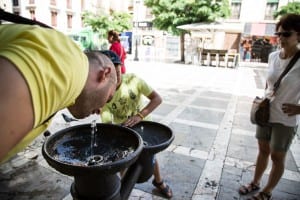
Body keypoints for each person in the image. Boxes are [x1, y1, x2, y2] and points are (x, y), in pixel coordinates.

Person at [0, 24, 117, 164]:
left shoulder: (68, 65)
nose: (100, 110)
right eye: (108, 97)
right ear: (104, 74)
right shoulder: (66, 69)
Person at [239, 14, 300, 200]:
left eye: (286, 34)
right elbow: (269, 84)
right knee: (263, 151)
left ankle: (267, 191)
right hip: (266, 114)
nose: (280, 38)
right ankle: (255, 182)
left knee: (277, 156)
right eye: (278, 34)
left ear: (299, 35)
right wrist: (264, 100)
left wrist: (299, 109)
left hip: (285, 118)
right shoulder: (273, 56)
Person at [100, 50, 173, 198]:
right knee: (124, 160)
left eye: (118, 70)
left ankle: (159, 182)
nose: (116, 76)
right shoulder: (105, 95)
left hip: (145, 126)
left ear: (121, 68)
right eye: (112, 73)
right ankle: (122, 188)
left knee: (151, 157)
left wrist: (140, 115)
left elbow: (157, 99)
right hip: (124, 131)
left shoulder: (133, 80)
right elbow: (107, 123)